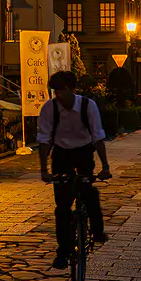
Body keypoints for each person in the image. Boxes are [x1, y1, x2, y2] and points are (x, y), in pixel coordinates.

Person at [37, 70, 112, 270]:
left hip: (84, 152)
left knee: (88, 191)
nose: (57, 95)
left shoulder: (88, 106)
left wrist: (105, 166)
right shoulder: (49, 108)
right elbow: (44, 139)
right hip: (61, 154)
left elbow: (97, 136)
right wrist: (44, 170)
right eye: (54, 91)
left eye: (59, 91)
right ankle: (63, 251)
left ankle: (97, 231)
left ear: (70, 89)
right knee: (62, 206)